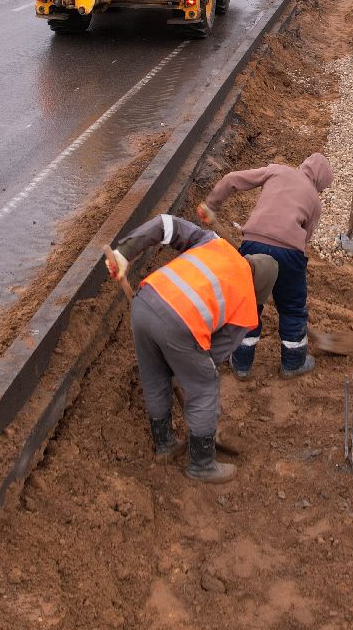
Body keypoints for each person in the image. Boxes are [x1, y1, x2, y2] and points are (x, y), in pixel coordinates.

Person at [106, 214, 278, 483]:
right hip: (177, 324)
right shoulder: (247, 304)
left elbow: (165, 224)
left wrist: (125, 252)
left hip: (144, 303)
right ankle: (202, 464)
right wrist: (185, 369)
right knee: (205, 384)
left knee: (154, 376)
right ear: (261, 291)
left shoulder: (215, 243)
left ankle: (165, 445)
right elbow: (211, 357)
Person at [197, 154, 333, 380]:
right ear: (319, 182)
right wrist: (290, 270)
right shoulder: (315, 202)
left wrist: (211, 205)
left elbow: (232, 178)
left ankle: (241, 363)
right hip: (290, 253)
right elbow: (305, 240)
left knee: (247, 302)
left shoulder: (277, 170)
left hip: (253, 243)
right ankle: (293, 363)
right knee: (292, 307)